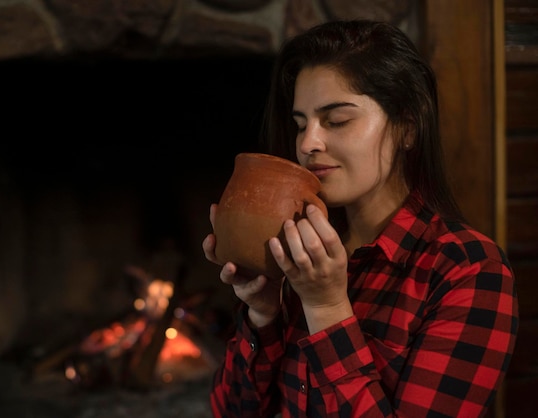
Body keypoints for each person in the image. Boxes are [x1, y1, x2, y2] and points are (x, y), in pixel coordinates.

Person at [202, 20, 518, 417]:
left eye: (337, 121)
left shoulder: (467, 271)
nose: (306, 143)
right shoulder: (300, 250)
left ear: (407, 126)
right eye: (301, 125)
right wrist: (263, 314)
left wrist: (328, 308)